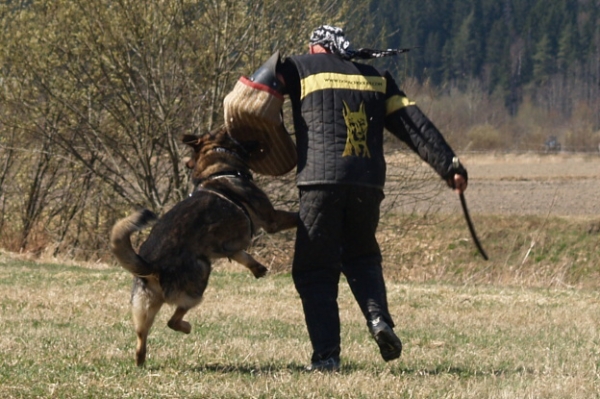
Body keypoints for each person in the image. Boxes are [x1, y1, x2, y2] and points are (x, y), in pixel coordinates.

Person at [247, 25, 468, 372]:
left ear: (315, 48)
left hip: (320, 180)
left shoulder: (299, 67)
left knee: (315, 269)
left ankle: (327, 357)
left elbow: (255, 95)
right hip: (368, 183)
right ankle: (379, 321)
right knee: (362, 256)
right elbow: (413, 124)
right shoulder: (376, 76)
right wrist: (450, 166)